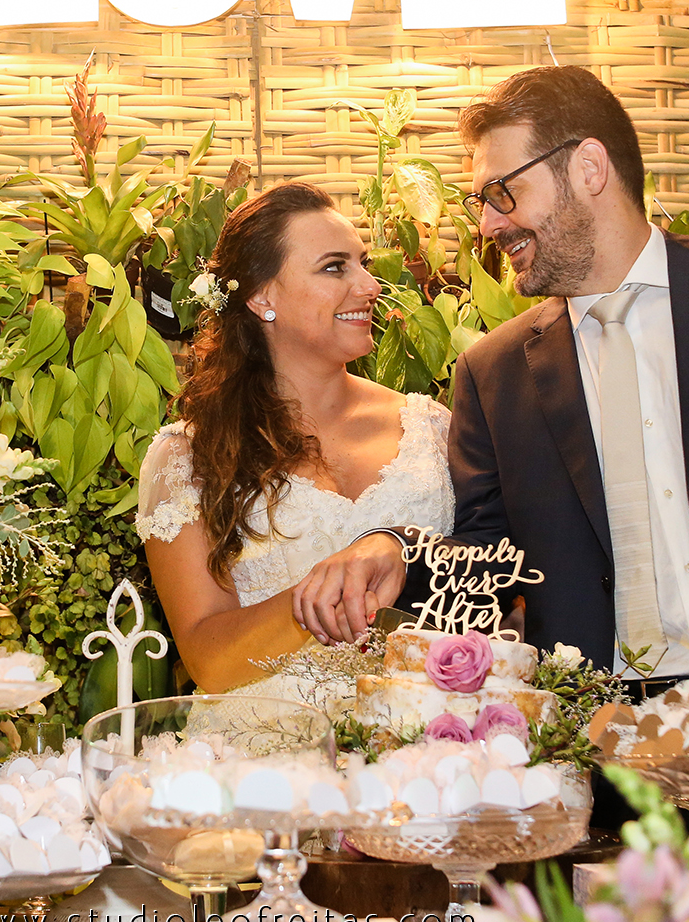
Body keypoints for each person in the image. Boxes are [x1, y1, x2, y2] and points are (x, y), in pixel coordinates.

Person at [291, 65, 689, 733]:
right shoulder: (492, 373)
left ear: (588, 167)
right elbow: (491, 562)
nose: (488, 223)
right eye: (481, 202)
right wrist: (397, 551)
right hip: (600, 736)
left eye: (502, 192)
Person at [136, 182, 452, 720]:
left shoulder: (432, 428)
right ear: (262, 297)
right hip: (268, 746)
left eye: (362, 263)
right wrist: (320, 596)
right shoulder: (187, 458)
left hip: (429, 736)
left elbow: (491, 574)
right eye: (334, 267)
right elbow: (207, 659)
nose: (369, 285)